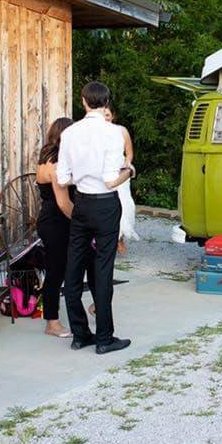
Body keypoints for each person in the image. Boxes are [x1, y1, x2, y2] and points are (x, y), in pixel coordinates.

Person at [57, 82, 134, 355]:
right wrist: (130, 171)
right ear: (106, 102)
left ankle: (80, 334)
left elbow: (63, 178)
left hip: (81, 203)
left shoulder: (69, 132)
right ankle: (104, 337)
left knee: (74, 268)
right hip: (105, 204)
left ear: (83, 102)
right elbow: (112, 180)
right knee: (103, 269)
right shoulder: (113, 132)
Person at [36, 117, 75, 338]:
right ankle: (52, 322)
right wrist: (81, 222)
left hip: (50, 219)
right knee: (55, 272)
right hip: (57, 221)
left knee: (57, 270)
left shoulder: (46, 158)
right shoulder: (57, 163)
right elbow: (63, 202)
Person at [104, 103, 140, 253]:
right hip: (103, 171)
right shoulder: (94, 132)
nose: (105, 118)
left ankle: (120, 237)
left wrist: (127, 164)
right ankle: (108, 238)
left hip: (120, 171)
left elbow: (129, 152)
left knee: (124, 203)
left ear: (113, 116)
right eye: (102, 115)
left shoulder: (121, 131)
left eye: (107, 115)